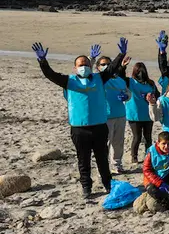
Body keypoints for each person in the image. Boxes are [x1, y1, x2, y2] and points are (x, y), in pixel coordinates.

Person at [32, 38, 128, 199]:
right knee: (83, 160)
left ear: (91, 66)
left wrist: (121, 54)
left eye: (86, 64)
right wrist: (42, 61)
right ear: (75, 68)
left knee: (102, 159)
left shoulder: (99, 79)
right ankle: (86, 186)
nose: (83, 67)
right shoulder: (69, 81)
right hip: (79, 129)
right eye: (80, 65)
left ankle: (108, 184)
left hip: (99, 127)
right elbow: (50, 75)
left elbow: (111, 69)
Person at [100, 49, 131, 174]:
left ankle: (117, 164)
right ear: (98, 67)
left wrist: (126, 96)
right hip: (105, 116)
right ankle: (103, 166)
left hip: (120, 115)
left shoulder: (120, 80)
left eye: (108, 63)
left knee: (118, 142)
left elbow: (128, 93)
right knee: (105, 142)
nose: (106, 66)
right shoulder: (99, 80)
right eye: (103, 64)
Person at [125, 62, 161, 164]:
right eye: (138, 71)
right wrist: (123, 66)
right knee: (137, 137)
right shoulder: (130, 82)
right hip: (134, 115)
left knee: (148, 136)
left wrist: (152, 97)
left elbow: (157, 96)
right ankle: (134, 156)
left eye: (142, 71)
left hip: (148, 114)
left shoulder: (150, 83)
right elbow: (120, 76)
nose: (140, 73)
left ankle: (148, 155)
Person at [143, 132, 169, 205]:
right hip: (154, 179)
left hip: (167, 176)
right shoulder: (151, 152)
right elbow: (146, 171)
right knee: (152, 190)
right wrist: (159, 183)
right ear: (158, 143)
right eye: (163, 144)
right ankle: (165, 202)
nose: (166, 146)